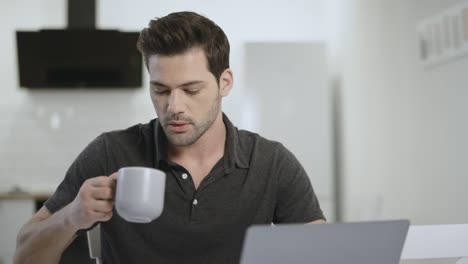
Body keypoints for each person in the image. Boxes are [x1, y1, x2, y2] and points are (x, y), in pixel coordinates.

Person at [14, 11, 325, 264]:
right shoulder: (110, 152)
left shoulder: (271, 163)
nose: (174, 107)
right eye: (160, 90)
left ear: (224, 82)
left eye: (191, 90)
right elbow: (24, 256)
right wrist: (72, 216)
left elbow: (323, 254)